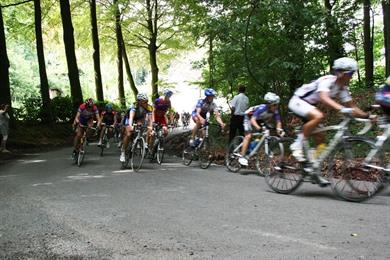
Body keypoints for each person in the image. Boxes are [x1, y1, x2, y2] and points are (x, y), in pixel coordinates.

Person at [288, 57, 372, 185]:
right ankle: (297, 144)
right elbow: (324, 97)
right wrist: (341, 108)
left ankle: (312, 168)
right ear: (341, 73)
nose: (351, 76)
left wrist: (367, 116)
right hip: (297, 101)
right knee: (319, 116)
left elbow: (353, 107)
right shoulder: (327, 80)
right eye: (350, 73)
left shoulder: (343, 89)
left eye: (353, 73)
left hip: (309, 106)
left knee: (321, 138)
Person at [237, 92, 284, 166]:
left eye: (277, 105)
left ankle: (251, 148)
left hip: (260, 119)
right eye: (274, 105)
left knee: (264, 135)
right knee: (249, 135)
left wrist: (279, 130)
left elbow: (278, 122)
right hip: (249, 117)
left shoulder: (275, 111)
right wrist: (258, 128)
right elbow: (253, 120)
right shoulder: (262, 108)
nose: (276, 107)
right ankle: (242, 156)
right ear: (269, 105)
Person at [120, 93, 153, 162]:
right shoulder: (134, 106)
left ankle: (138, 140)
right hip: (129, 118)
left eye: (147, 101)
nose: (146, 103)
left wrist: (150, 127)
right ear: (139, 101)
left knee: (141, 127)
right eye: (145, 101)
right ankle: (123, 152)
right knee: (129, 133)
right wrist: (130, 125)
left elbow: (150, 119)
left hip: (139, 118)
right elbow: (131, 117)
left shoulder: (149, 107)